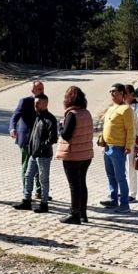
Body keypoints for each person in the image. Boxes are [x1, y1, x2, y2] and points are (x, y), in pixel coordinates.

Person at [12, 94, 58, 213]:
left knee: (43, 179)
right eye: (34, 103)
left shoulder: (50, 119)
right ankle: (26, 200)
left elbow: (53, 138)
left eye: (38, 103)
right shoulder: (37, 117)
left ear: (45, 104)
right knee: (28, 176)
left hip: (43, 155)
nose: (35, 105)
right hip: (33, 154)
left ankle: (44, 203)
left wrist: (41, 147)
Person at [56, 86, 94, 224]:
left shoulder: (71, 114)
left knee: (74, 185)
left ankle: (74, 214)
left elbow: (66, 135)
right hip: (86, 155)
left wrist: (60, 126)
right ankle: (83, 213)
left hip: (72, 155)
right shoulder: (86, 113)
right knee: (82, 184)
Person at [98, 83, 135, 213]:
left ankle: (124, 204)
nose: (112, 94)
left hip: (119, 147)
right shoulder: (111, 108)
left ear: (122, 93)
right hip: (107, 147)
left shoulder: (126, 109)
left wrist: (129, 146)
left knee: (120, 176)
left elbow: (130, 129)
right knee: (110, 175)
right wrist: (102, 140)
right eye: (110, 91)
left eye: (114, 91)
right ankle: (113, 199)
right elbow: (106, 126)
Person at [9, 80, 45, 199]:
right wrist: (12, 128)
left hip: (38, 139)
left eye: (42, 88)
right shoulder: (25, 101)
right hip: (25, 138)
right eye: (39, 89)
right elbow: (15, 116)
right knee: (27, 166)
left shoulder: (44, 100)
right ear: (32, 90)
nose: (42, 91)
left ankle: (39, 191)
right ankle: (26, 192)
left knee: (39, 165)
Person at [124, 84, 138, 202]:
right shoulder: (121, 106)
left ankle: (131, 193)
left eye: (125, 93)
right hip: (120, 141)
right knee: (121, 168)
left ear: (132, 94)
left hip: (132, 142)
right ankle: (122, 190)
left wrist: (137, 145)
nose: (123, 96)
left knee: (130, 167)